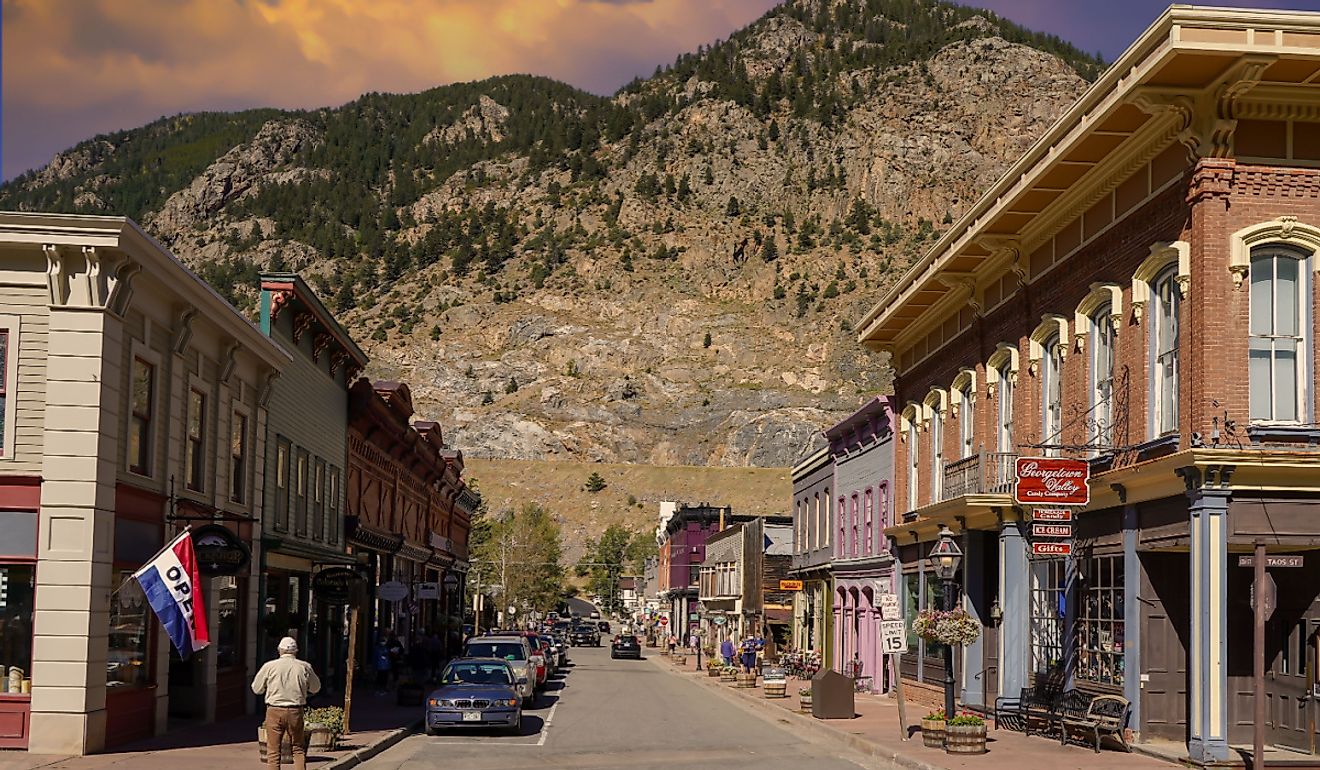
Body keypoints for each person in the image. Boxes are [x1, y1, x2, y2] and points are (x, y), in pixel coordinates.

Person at [252, 637, 321, 770]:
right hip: (295, 710)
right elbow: (315, 687)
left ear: (279, 651)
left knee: (273, 751)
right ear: (296, 651)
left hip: (274, 709)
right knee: (298, 749)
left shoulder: (269, 666)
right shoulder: (304, 666)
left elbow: (257, 688)